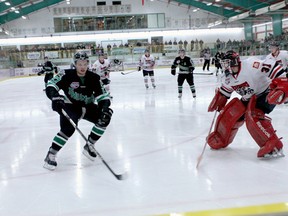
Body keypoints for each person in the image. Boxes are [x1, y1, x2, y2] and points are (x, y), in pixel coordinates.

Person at [207, 50, 285, 159]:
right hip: (249, 97)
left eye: (227, 63)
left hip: (265, 93)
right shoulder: (227, 77)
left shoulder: (251, 65)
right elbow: (225, 91)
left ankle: (274, 144)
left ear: (234, 61)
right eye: (223, 63)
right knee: (231, 114)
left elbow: (274, 68)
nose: (225, 66)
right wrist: (220, 100)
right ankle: (221, 137)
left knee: (253, 115)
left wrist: (283, 83)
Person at [43, 51, 113, 170]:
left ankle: (89, 145)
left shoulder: (94, 77)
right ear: (75, 64)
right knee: (68, 129)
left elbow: (103, 96)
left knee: (105, 118)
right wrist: (54, 96)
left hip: (88, 106)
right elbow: (51, 85)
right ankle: (51, 154)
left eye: (85, 64)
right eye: (80, 64)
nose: (82, 67)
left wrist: (104, 108)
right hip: (70, 107)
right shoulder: (66, 74)